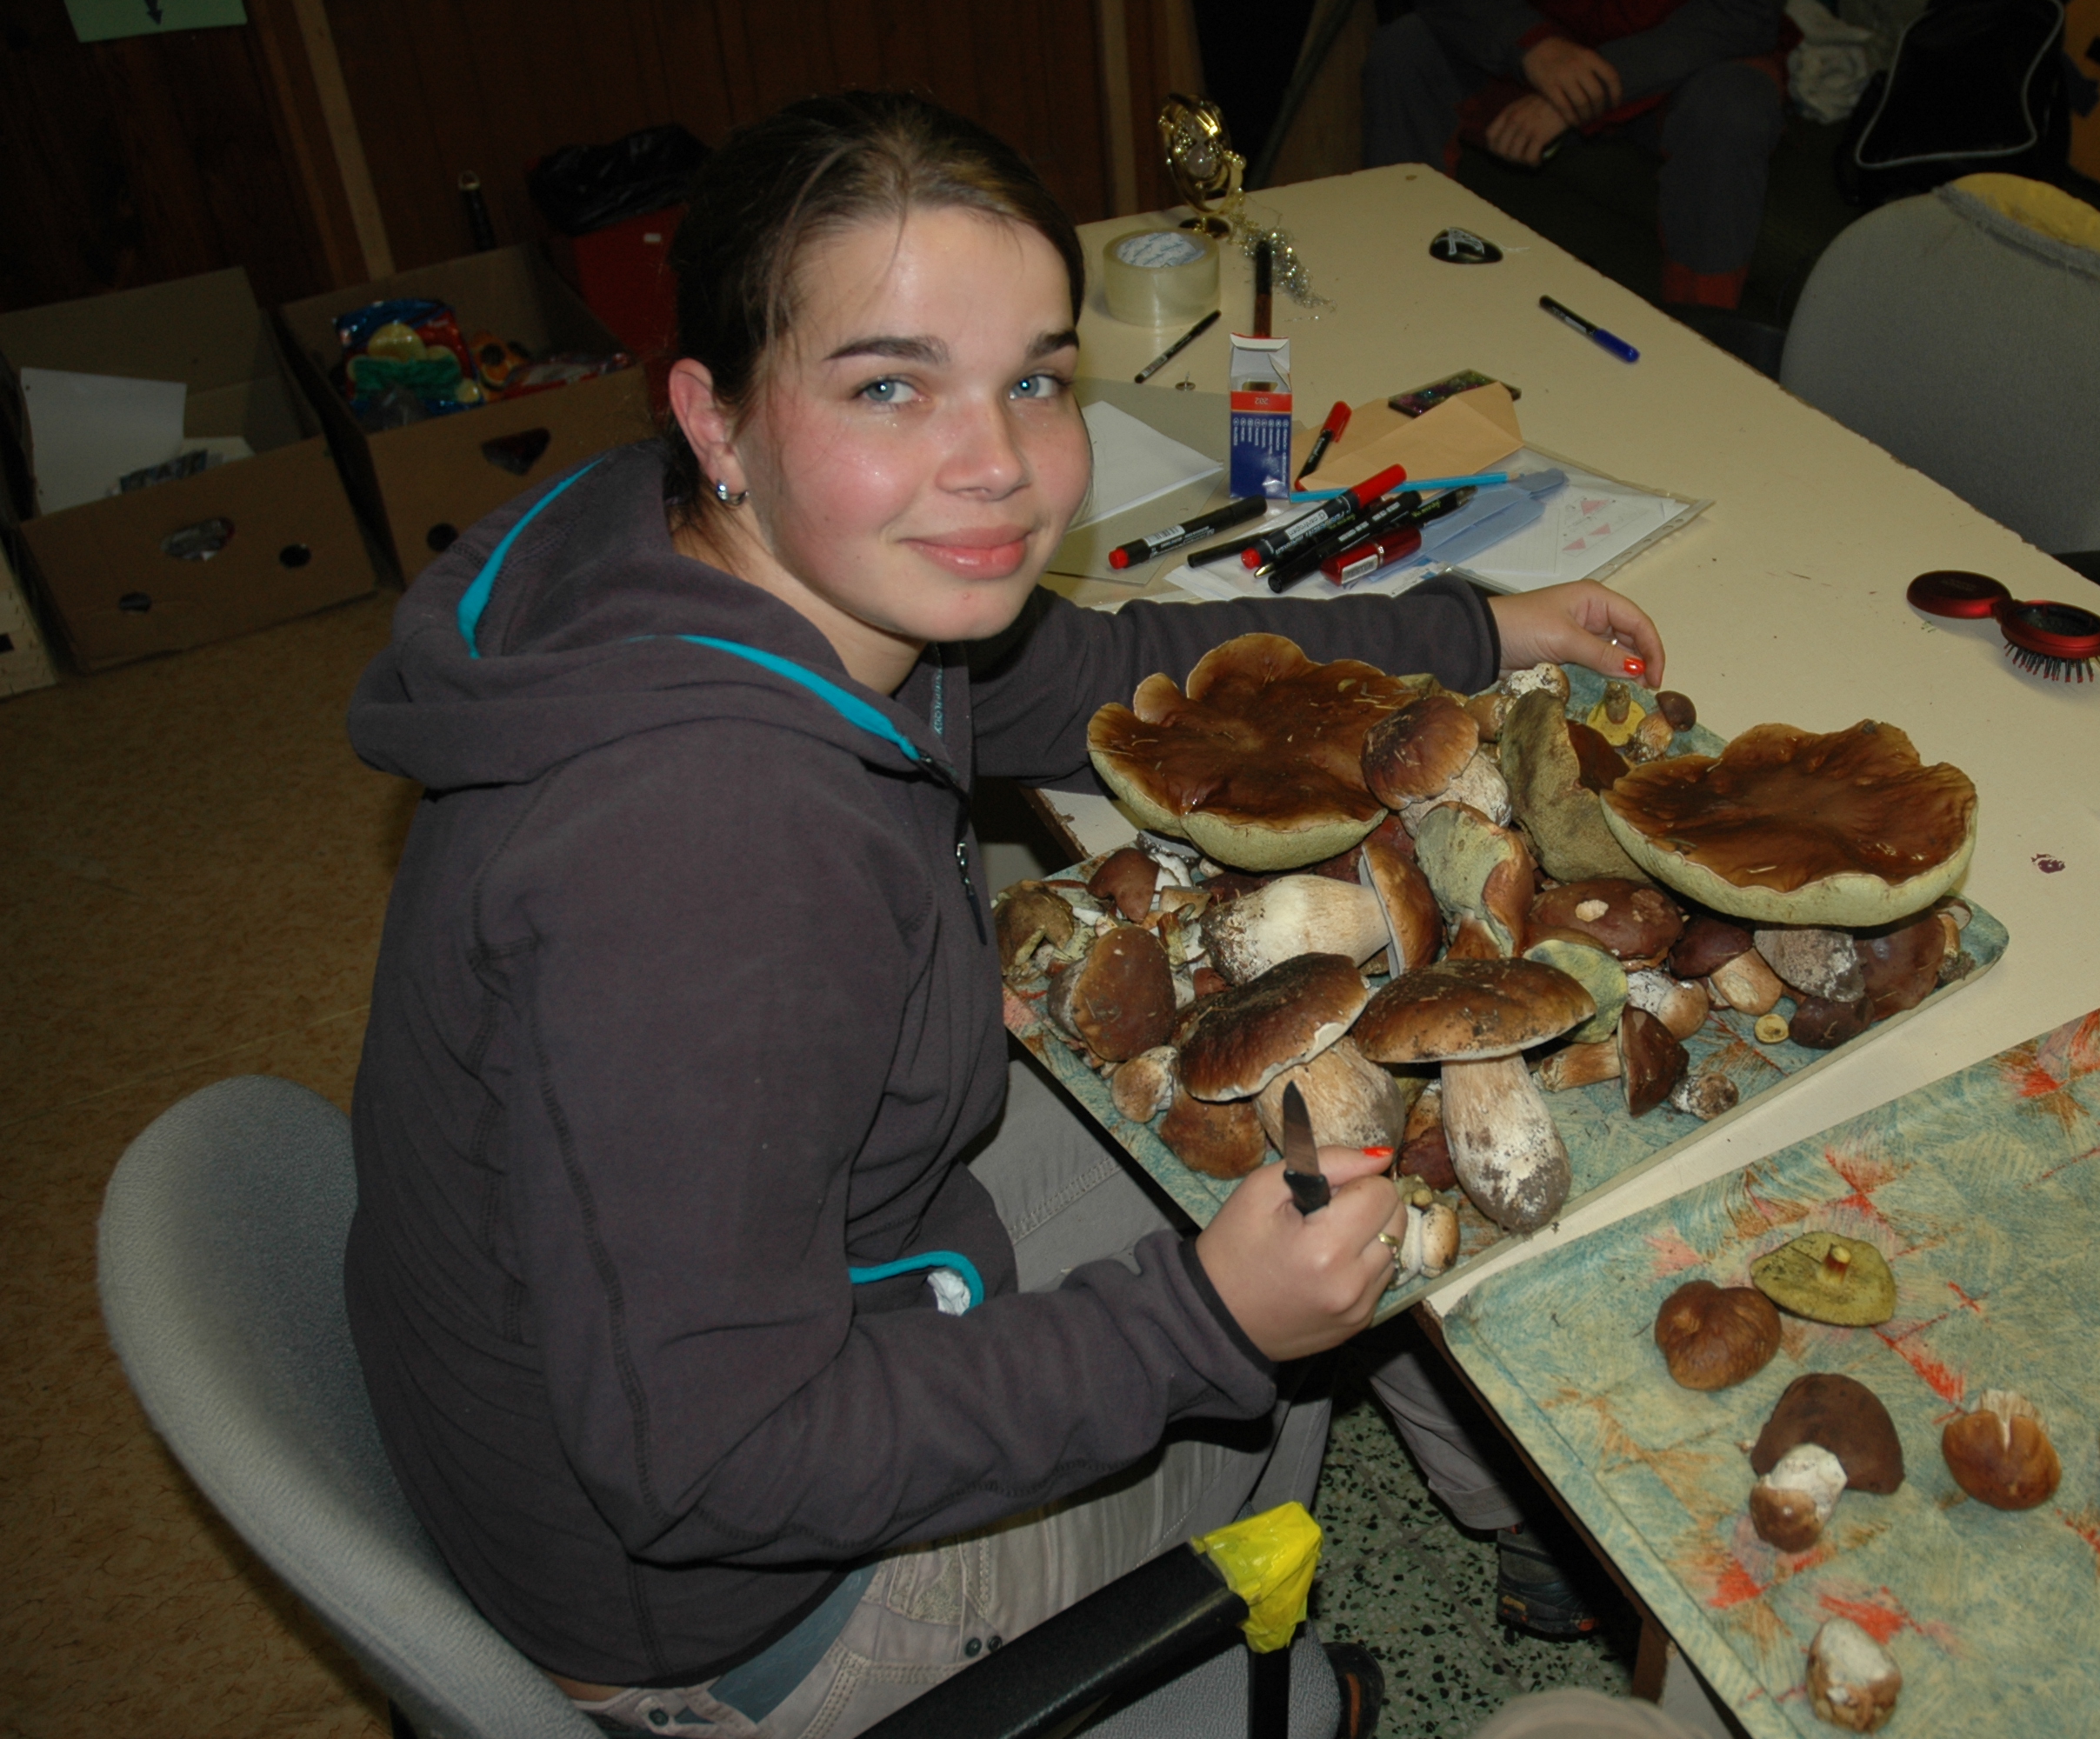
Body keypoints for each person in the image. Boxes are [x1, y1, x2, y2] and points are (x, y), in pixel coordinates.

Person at [343, 90, 1665, 1736]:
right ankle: (1250, 1665)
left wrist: (1470, 631)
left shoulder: (728, 560)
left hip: (702, 1332)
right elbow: (714, 1464)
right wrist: (1203, 1325)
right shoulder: (707, 864)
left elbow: (1102, 673)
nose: (997, 470)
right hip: (733, 1607)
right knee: (1311, 1236)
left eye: (1033, 379)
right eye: (888, 385)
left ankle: (1466, 1530)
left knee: (1289, 1109)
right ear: (716, 416)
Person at [1364, 0, 1789, 316]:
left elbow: (1744, 16)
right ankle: (1400, 292)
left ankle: (1702, 343)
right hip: (1542, 39)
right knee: (1405, 46)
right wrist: (1534, 47)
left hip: (1682, 63)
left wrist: (1588, 83)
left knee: (1733, 108)